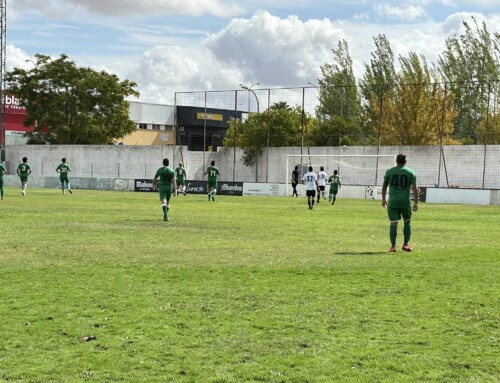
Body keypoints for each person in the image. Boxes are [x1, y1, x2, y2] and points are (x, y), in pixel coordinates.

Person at [381, 154, 419, 253]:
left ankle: (393, 246)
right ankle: (405, 244)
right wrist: (416, 202)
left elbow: (384, 187)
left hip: (393, 201)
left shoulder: (389, 171)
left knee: (393, 223)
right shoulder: (411, 172)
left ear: (396, 161)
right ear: (405, 162)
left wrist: (383, 199)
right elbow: (414, 188)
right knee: (407, 221)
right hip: (405, 202)